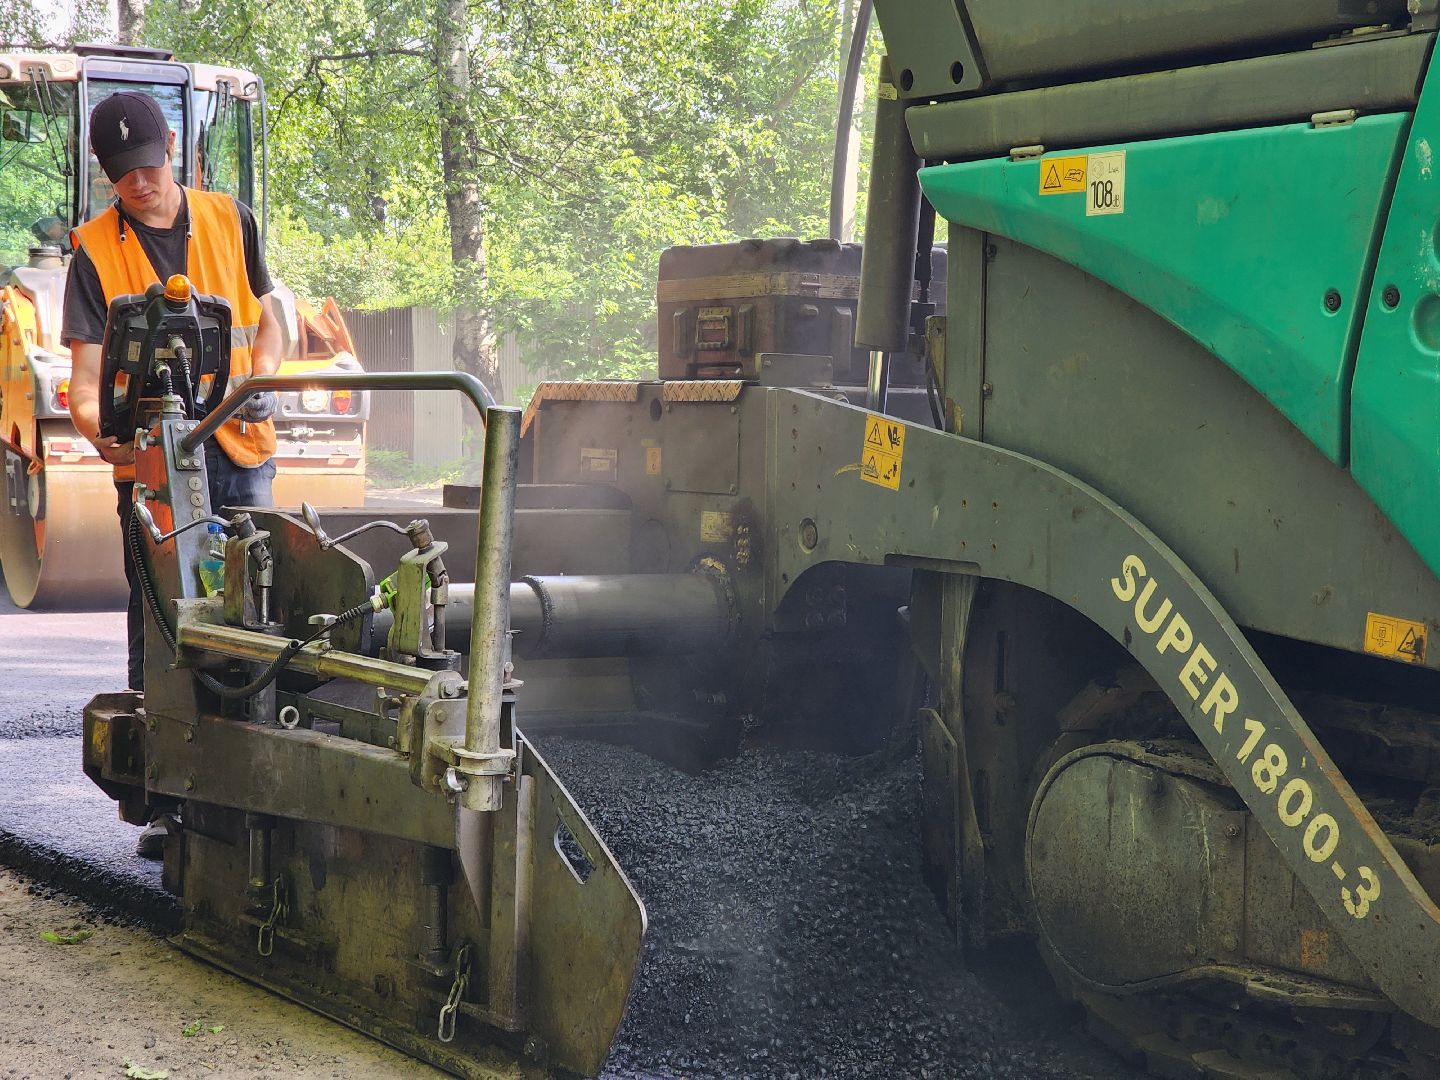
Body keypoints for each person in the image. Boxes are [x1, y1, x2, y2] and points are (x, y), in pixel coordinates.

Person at [61, 90, 283, 857]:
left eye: (150, 167)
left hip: (240, 448)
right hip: (151, 465)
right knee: (159, 614)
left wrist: (268, 378)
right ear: (106, 175)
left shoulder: (232, 218)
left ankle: (254, 778)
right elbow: (86, 387)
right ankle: (158, 795)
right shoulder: (92, 250)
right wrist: (102, 439)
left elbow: (273, 305)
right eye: (124, 176)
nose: (141, 184)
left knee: (256, 600)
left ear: (178, 154)